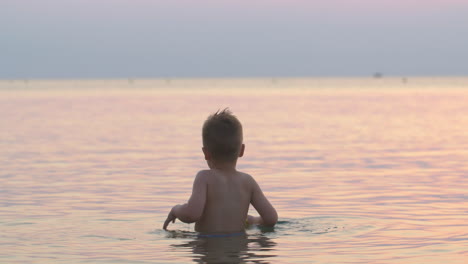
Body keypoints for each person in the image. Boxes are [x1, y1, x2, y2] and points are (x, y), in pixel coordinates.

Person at [163, 108, 278, 236]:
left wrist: (175, 209)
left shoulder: (204, 178)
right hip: (238, 252)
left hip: (209, 249)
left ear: (206, 153)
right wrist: (253, 220)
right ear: (242, 150)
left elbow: (191, 214)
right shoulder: (248, 181)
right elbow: (271, 218)